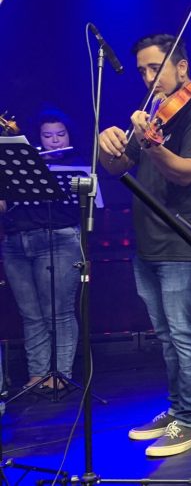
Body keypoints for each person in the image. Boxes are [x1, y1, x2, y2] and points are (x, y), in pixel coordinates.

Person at [98, 34, 191, 458]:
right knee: (167, 337)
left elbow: (185, 173)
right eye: (142, 72)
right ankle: (177, 411)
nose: (149, 78)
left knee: (186, 335)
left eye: (156, 68)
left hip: (187, 242)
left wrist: (152, 144)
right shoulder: (152, 113)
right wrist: (107, 146)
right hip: (150, 242)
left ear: (182, 68)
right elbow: (119, 167)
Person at [0, 109, 82, 394]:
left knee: (58, 312)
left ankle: (60, 373)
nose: (55, 141)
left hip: (58, 239)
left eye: (61, 135)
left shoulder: (76, 166)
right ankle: (37, 374)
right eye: (48, 136)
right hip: (15, 242)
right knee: (30, 314)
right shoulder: (19, 166)